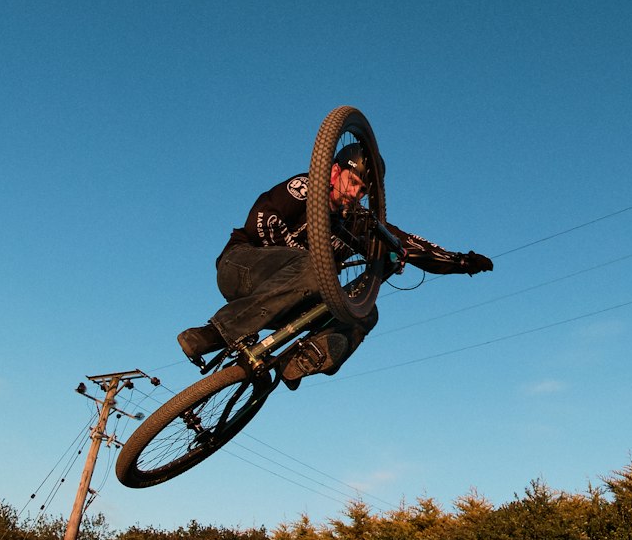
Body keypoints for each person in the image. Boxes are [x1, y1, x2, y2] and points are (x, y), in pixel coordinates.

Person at [177, 143, 493, 387]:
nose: (355, 193)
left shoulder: (354, 220)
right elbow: (262, 217)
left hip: (287, 297)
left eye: (363, 191)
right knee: (317, 266)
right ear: (334, 171)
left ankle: (299, 360)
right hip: (242, 268)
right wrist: (303, 258)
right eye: (353, 182)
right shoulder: (305, 188)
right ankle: (216, 333)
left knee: (364, 310)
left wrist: (461, 261)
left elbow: (408, 243)